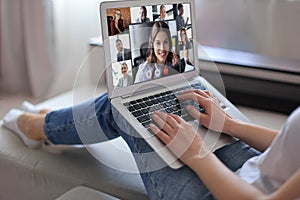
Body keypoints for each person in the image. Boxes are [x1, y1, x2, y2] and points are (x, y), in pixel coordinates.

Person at [3, 88, 300, 199]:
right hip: (256, 168)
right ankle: (54, 120)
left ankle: (39, 126)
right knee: (162, 96)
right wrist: (232, 126)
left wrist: (196, 153)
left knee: (123, 105)